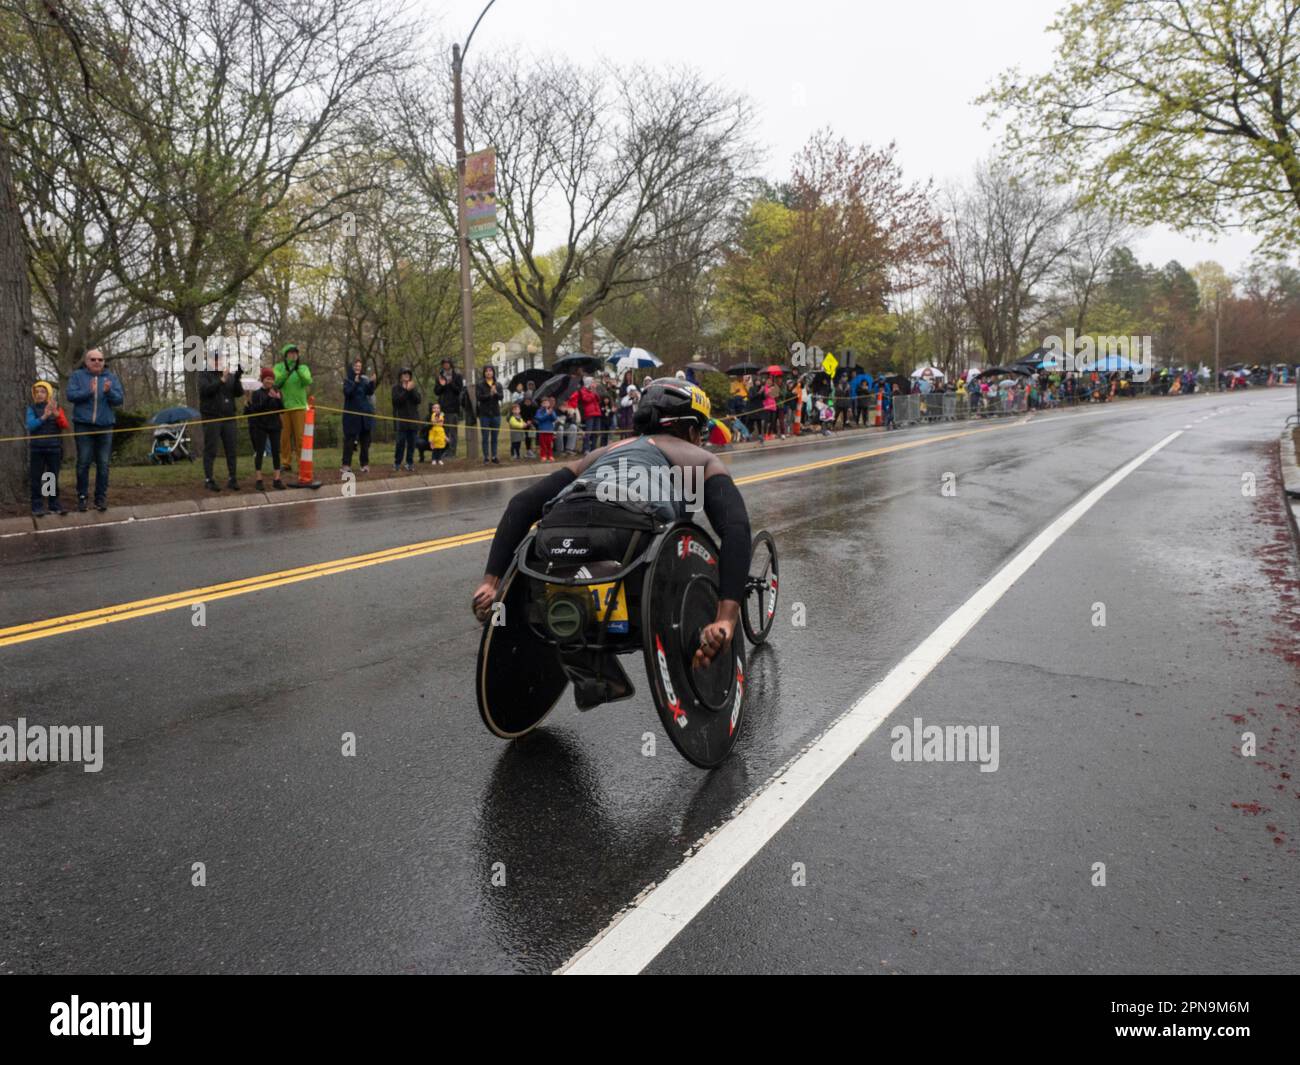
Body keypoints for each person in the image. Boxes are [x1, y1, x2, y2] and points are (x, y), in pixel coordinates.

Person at [471, 378, 752, 671]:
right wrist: (725, 617)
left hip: (555, 535)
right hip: (629, 534)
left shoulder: (601, 452)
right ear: (691, 429)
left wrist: (490, 582)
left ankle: (578, 636)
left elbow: (521, 505)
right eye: (701, 430)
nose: (701, 438)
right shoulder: (698, 458)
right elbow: (736, 528)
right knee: (668, 550)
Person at [65, 348, 123, 512]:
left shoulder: (111, 377)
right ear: (86, 362)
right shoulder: (78, 376)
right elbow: (70, 395)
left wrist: (108, 391)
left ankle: (100, 498)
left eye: (100, 359)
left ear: (104, 362)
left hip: (105, 426)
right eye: (93, 359)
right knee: (83, 463)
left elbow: (119, 399)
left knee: (103, 464)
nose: (97, 362)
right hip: (83, 425)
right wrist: (88, 391)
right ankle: (82, 497)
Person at [197, 351, 245, 492]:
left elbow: (238, 393)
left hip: (229, 417)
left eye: (221, 360)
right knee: (211, 449)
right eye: (216, 360)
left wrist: (237, 378)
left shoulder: (228, 376)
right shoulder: (204, 374)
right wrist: (221, 381)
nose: (219, 363)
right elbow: (205, 391)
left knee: (231, 449)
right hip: (212, 417)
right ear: (210, 361)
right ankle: (209, 479)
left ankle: (232, 478)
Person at [26, 380, 68, 517]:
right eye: (37, 392)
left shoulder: (57, 408)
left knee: (50, 477)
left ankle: (53, 504)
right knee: (36, 477)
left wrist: (56, 415)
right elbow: (31, 425)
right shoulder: (31, 409)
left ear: (48, 393)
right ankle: (37, 505)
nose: (39, 394)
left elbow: (64, 425)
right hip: (37, 449)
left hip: (54, 448)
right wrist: (44, 416)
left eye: (42, 392)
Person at [273, 344, 312, 473]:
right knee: (284, 437)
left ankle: (302, 462)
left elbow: (307, 380)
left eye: (295, 353)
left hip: (300, 407)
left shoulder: (303, 367)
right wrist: (288, 370)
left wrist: (297, 369)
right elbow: (276, 382)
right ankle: (286, 463)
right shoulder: (278, 367)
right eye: (290, 353)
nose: (294, 355)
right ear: (285, 355)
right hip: (283, 407)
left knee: (300, 437)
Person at [245, 368, 286, 491]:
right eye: (268, 379)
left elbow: (282, 410)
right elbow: (257, 409)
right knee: (260, 451)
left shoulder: (276, 391)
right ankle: (259, 479)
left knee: (276, 451)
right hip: (261, 425)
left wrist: (278, 399)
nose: (270, 381)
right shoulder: (257, 393)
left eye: (272, 379)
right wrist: (269, 398)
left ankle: (277, 479)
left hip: (274, 425)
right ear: (263, 380)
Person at [341, 358, 376, 473]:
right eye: (356, 366)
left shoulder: (363, 380)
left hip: (364, 416)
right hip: (351, 417)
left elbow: (369, 392)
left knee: (365, 442)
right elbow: (348, 393)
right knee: (349, 442)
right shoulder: (347, 381)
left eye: (359, 367)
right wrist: (355, 383)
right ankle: (346, 465)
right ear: (352, 367)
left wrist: (371, 383)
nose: (358, 368)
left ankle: (364, 464)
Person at [391, 367, 422, 472]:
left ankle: (409, 463)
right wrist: (406, 390)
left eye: (408, 374)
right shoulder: (396, 388)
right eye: (404, 374)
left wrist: (411, 390)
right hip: (402, 420)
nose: (406, 376)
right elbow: (397, 401)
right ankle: (397, 463)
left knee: (412, 443)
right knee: (400, 443)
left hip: (413, 420)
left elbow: (418, 400)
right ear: (400, 376)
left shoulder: (413, 387)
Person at [434, 359, 465, 458]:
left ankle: (452, 452)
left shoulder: (457, 376)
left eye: (447, 363)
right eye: (444, 364)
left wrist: (451, 383)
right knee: (443, 431)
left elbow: (459, 390)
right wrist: (442, 385)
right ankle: (444, 450)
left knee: (452, 432)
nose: (446, 365)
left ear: (451, 364)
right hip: (442, 408)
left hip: (453, 408)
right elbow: (437, 391)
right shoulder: (440, 376)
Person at [476, 365, 504, 463]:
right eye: (486, 371)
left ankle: (494, 456)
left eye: (490, 371)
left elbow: (501, 397)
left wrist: (495, 393)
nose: (488, 372)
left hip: (496, 414)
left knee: (495, 437)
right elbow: (479, 397)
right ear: (484, 373)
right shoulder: (480, 385)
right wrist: (489, 395)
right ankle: (486, 457)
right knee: (485, 437)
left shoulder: (498, 384)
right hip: (484, 415)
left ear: (493, 372)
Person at [533, 395, 558, 462]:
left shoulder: (551, 410)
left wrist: (551, 413)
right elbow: (540, 419)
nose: (545, 404)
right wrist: (546, 414)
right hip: (542, 430)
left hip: (549, 430)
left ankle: (550, 455)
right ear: (541, 404)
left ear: (549, 403)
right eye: (544, 403)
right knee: (543, 445)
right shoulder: (539, 411)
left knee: (549, 444)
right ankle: (543, 456)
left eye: (547, 403)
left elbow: (554, 419)